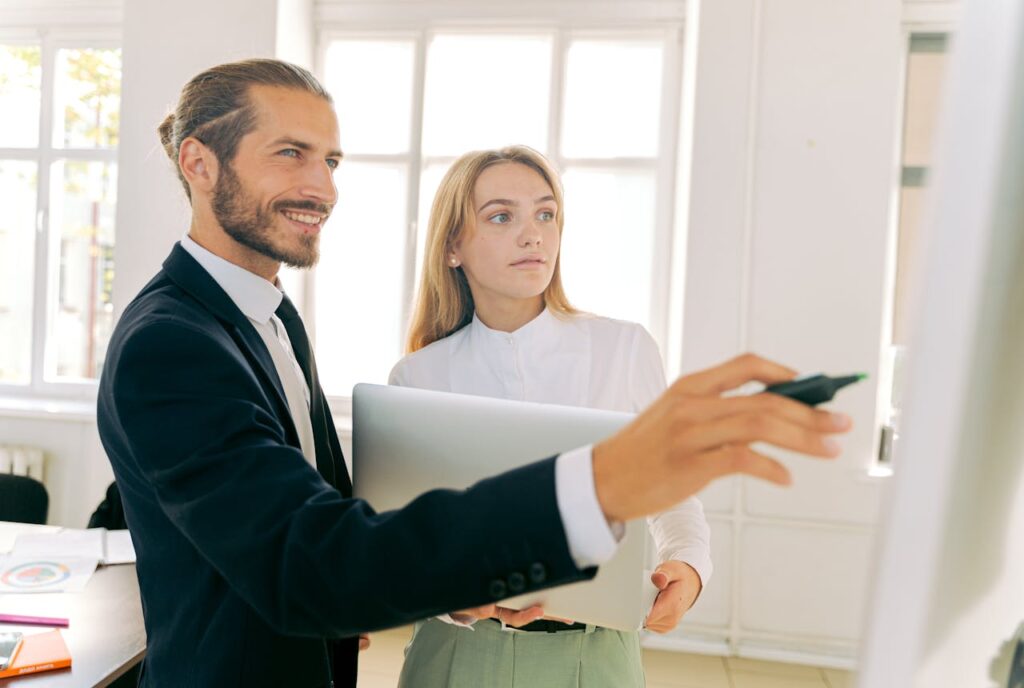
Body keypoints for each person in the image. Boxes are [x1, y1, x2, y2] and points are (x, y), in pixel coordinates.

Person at [96, 58, 852, 688]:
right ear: (199, 163)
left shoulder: (273, 319)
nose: (323, 187)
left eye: (331, 160)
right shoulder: (174, 343)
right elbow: (318, 561)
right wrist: (600, 484)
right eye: (290, 153)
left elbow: (331, 530)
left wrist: (679, 562)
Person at [389, 146, 707, 687]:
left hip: (595, 655)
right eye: (500, 216)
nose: (533, 234)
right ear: (452, 248)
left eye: (545, 214)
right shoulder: (417, 377)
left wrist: (689, 568)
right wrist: (455, 602)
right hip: (456, 655)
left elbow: (671, 490)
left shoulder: (623, 348)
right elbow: (401, 546)